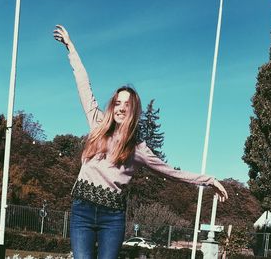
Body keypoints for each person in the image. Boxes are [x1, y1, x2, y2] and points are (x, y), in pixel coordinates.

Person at [53, 25, 228, 259]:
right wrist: (70, 47)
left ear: (133, 110)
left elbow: (171, 172)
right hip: (82, 211)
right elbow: (84, 85)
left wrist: (208, 180)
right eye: (117, 102)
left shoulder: (138, 149)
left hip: (112, 217)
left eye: (127, 104)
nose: (121, 107)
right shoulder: (97, 123)